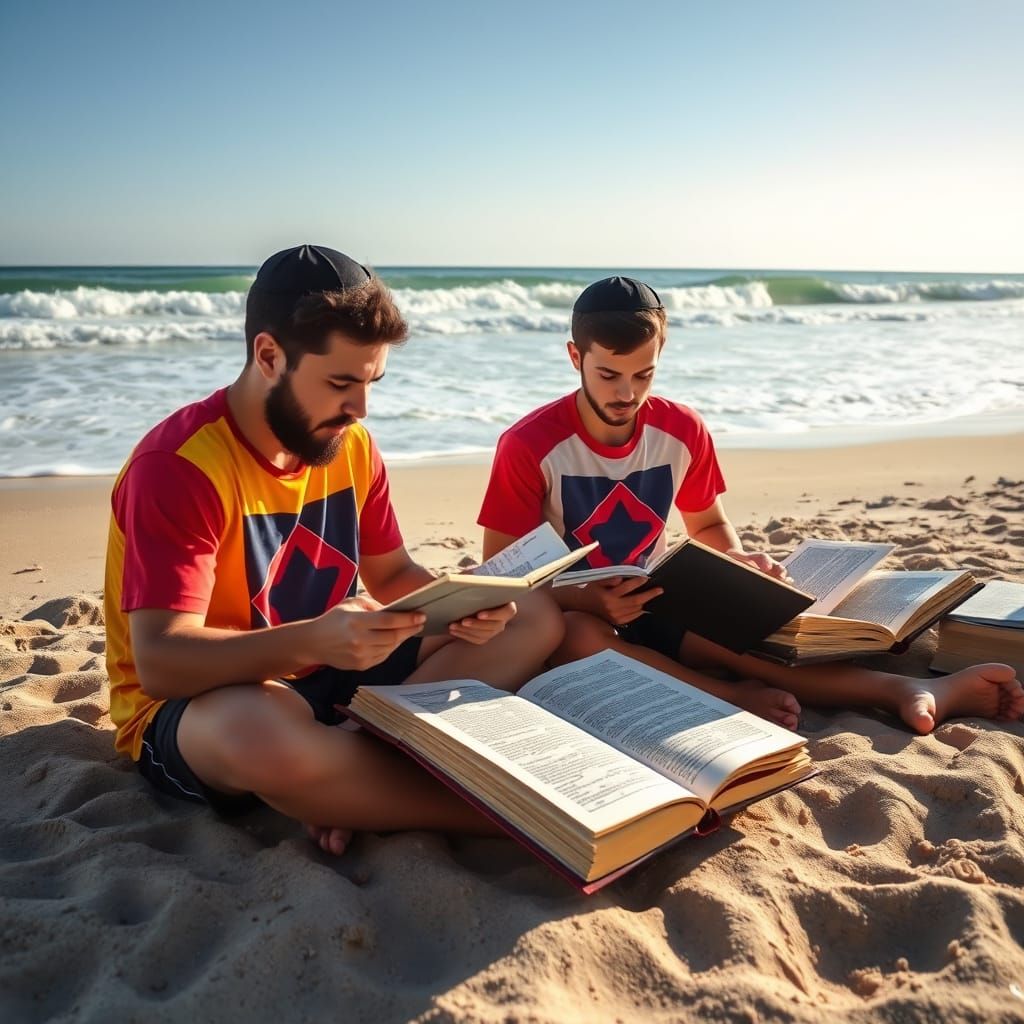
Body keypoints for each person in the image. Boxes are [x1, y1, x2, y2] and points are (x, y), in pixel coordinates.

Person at [105, 244, 564, 856]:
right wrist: (312, 641)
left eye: (372, 381)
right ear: (269, 356)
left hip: (336, 668)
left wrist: (464, 610)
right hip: (209, 699)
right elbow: (161, 661)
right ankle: (523, 816)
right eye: (341, 382)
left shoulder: (349, 445)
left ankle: (349, 777)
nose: (360, 408)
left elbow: (393, 571)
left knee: (532, 616)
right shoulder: (180, 467)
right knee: (259, 732)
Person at [478, 275, 1023, 734]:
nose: (628, 393)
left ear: (660, 356)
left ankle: (899, 686)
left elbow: (709, 523)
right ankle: (728, 697)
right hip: (575, 614)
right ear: (576, 357)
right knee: (579, 638)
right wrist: (590, 600)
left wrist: (735, 564)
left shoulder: (682, 428)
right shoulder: (529, 445)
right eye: (608, 375)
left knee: (737, 635)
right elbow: (503, 573)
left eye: (644, 374)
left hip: (659, 596)